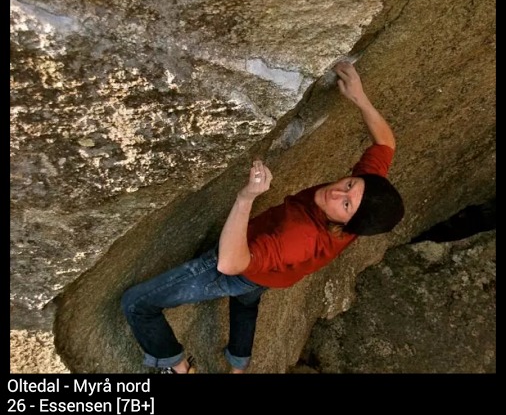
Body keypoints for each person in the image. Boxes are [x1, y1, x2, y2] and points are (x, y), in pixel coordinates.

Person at [121, 61, 404, 374]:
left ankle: (179, 368)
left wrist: (247, 197)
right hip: (271, 272)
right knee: (246, 300)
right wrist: (360, 99)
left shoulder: (299, 236)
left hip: (242, 264)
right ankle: (239, 367)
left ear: (347, 224)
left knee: (138, 304)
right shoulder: (367, 198)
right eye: (349, 184)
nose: (337, 194)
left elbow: (229, 264)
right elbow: (385, 144)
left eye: (346, 205)